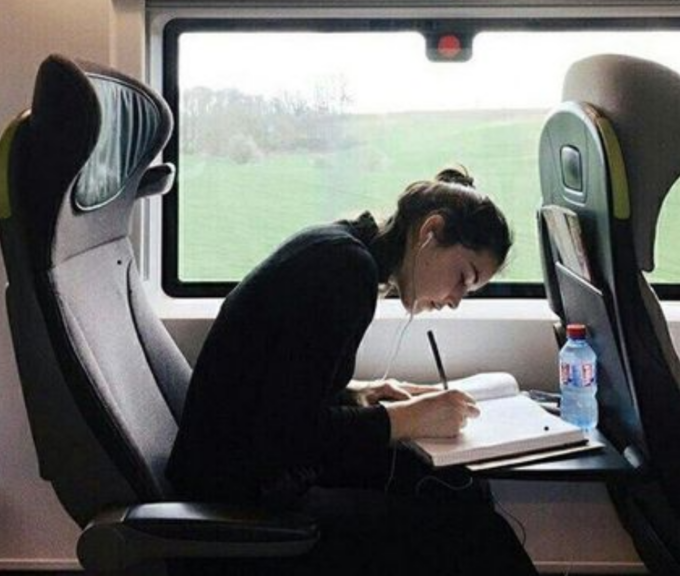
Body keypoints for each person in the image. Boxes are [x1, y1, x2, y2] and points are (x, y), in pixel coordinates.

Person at [166, 166, 538, 575]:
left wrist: (360, 393)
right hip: (245, 499)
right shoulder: (345, 272)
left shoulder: (342, 249)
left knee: (460, 486)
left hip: (252, 469)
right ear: (430, 231)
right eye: (463, 278)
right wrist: (406, 419)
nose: (455, 301)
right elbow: (289, 433)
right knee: (472, 530)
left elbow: (281, 389)